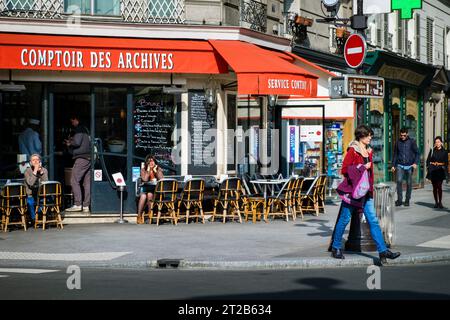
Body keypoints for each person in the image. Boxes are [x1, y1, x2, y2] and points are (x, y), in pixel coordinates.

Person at [330, 125, 401, 264]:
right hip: (353, 192)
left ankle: (382, 251)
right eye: (368, 135)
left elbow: (369, 174)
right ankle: (336, 247)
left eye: (371, 136)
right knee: (344, 219)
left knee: (373, 221)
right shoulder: (353, 150)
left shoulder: (368, 151)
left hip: (366, 192)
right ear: (361, 136)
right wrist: (362, 167)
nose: (370, 138)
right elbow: (344, 170)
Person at [64, 115, 91, 213]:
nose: (72, 123)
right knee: (87, 183)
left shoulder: (79, 129)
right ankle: (86, 205)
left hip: (81, 158)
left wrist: (69, 143)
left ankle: (78, 204)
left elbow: (77, 142)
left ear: (76, 119)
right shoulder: (86, 129)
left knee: (74, 180)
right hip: (89, 157)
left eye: (72, 121)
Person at [391, 128, 420, 207]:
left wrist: (415, 163)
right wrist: (393, 165)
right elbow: (395, 154)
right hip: (400, 165)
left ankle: (407, 200)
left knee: (409, 183)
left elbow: (417, 153)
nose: (402, 137)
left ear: (407, 134)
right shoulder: (398, 142)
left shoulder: (412, 142)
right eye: (401, 135)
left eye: (404, 135)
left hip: (409, 166)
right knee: (399, 181)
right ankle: (399, 200)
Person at [136, 155, 164, 224]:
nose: (151, 163)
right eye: (149, 162)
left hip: (156, 192)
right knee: (144, 196)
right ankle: (139, 216)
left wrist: (156, 171)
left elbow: (162, 179)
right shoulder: (143, 170)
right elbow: (145, 179)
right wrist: (148, 171)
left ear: (155, 162)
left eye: (152, 161)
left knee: (150, 194)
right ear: (147, 163)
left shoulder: (158, 169)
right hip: (145, 190)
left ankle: (150, 214)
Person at [24, 153, 48, 224]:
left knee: (46, 202)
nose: (35, 161)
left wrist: (41, 173)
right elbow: (31, 183)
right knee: (30, 203)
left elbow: (45, 183)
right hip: (30, 195)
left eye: (37, 159)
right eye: (33, 160)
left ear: (40, 161)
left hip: (41, 194)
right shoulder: (27, 171)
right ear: (30, 162)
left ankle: (40, 215)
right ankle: (34, 220)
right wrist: (35, 171)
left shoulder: (44, 170)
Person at [426, 136, 448, 209]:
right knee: (434, 187)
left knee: (439, 187)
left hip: (440, 170)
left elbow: (446, 162)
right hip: (433, 170)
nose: (437, 143)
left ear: (441, 143)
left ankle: (440, 202)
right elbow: (428, 160)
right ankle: (436, 202)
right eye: (436, 142)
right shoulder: (432, 150)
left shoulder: (444, 152)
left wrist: (444, 168)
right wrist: (429, 167)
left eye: (438, 142)